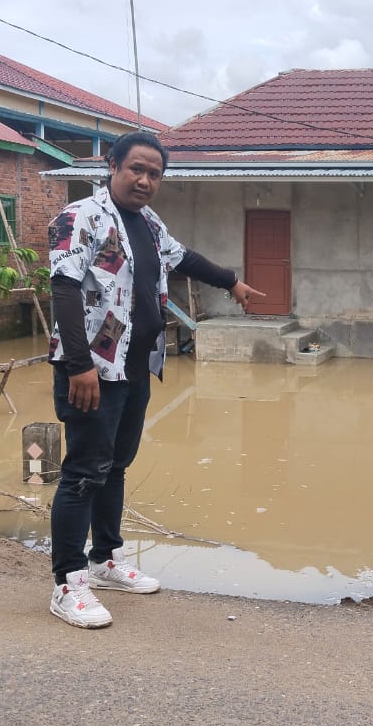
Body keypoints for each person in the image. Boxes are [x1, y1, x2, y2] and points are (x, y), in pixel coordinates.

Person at [45, 131, 265, 628]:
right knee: (82, 473)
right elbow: (62, 291)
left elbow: (181, 257)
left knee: (115, 466)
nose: (145, 180)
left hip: (136, 364)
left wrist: (231, 281)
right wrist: (79, 365)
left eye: (154, 174)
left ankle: (104, 560)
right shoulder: (78, 218)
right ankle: (67, 583)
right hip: (92, 369)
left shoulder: (146, 222)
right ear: (112, 165)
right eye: (136, 169)